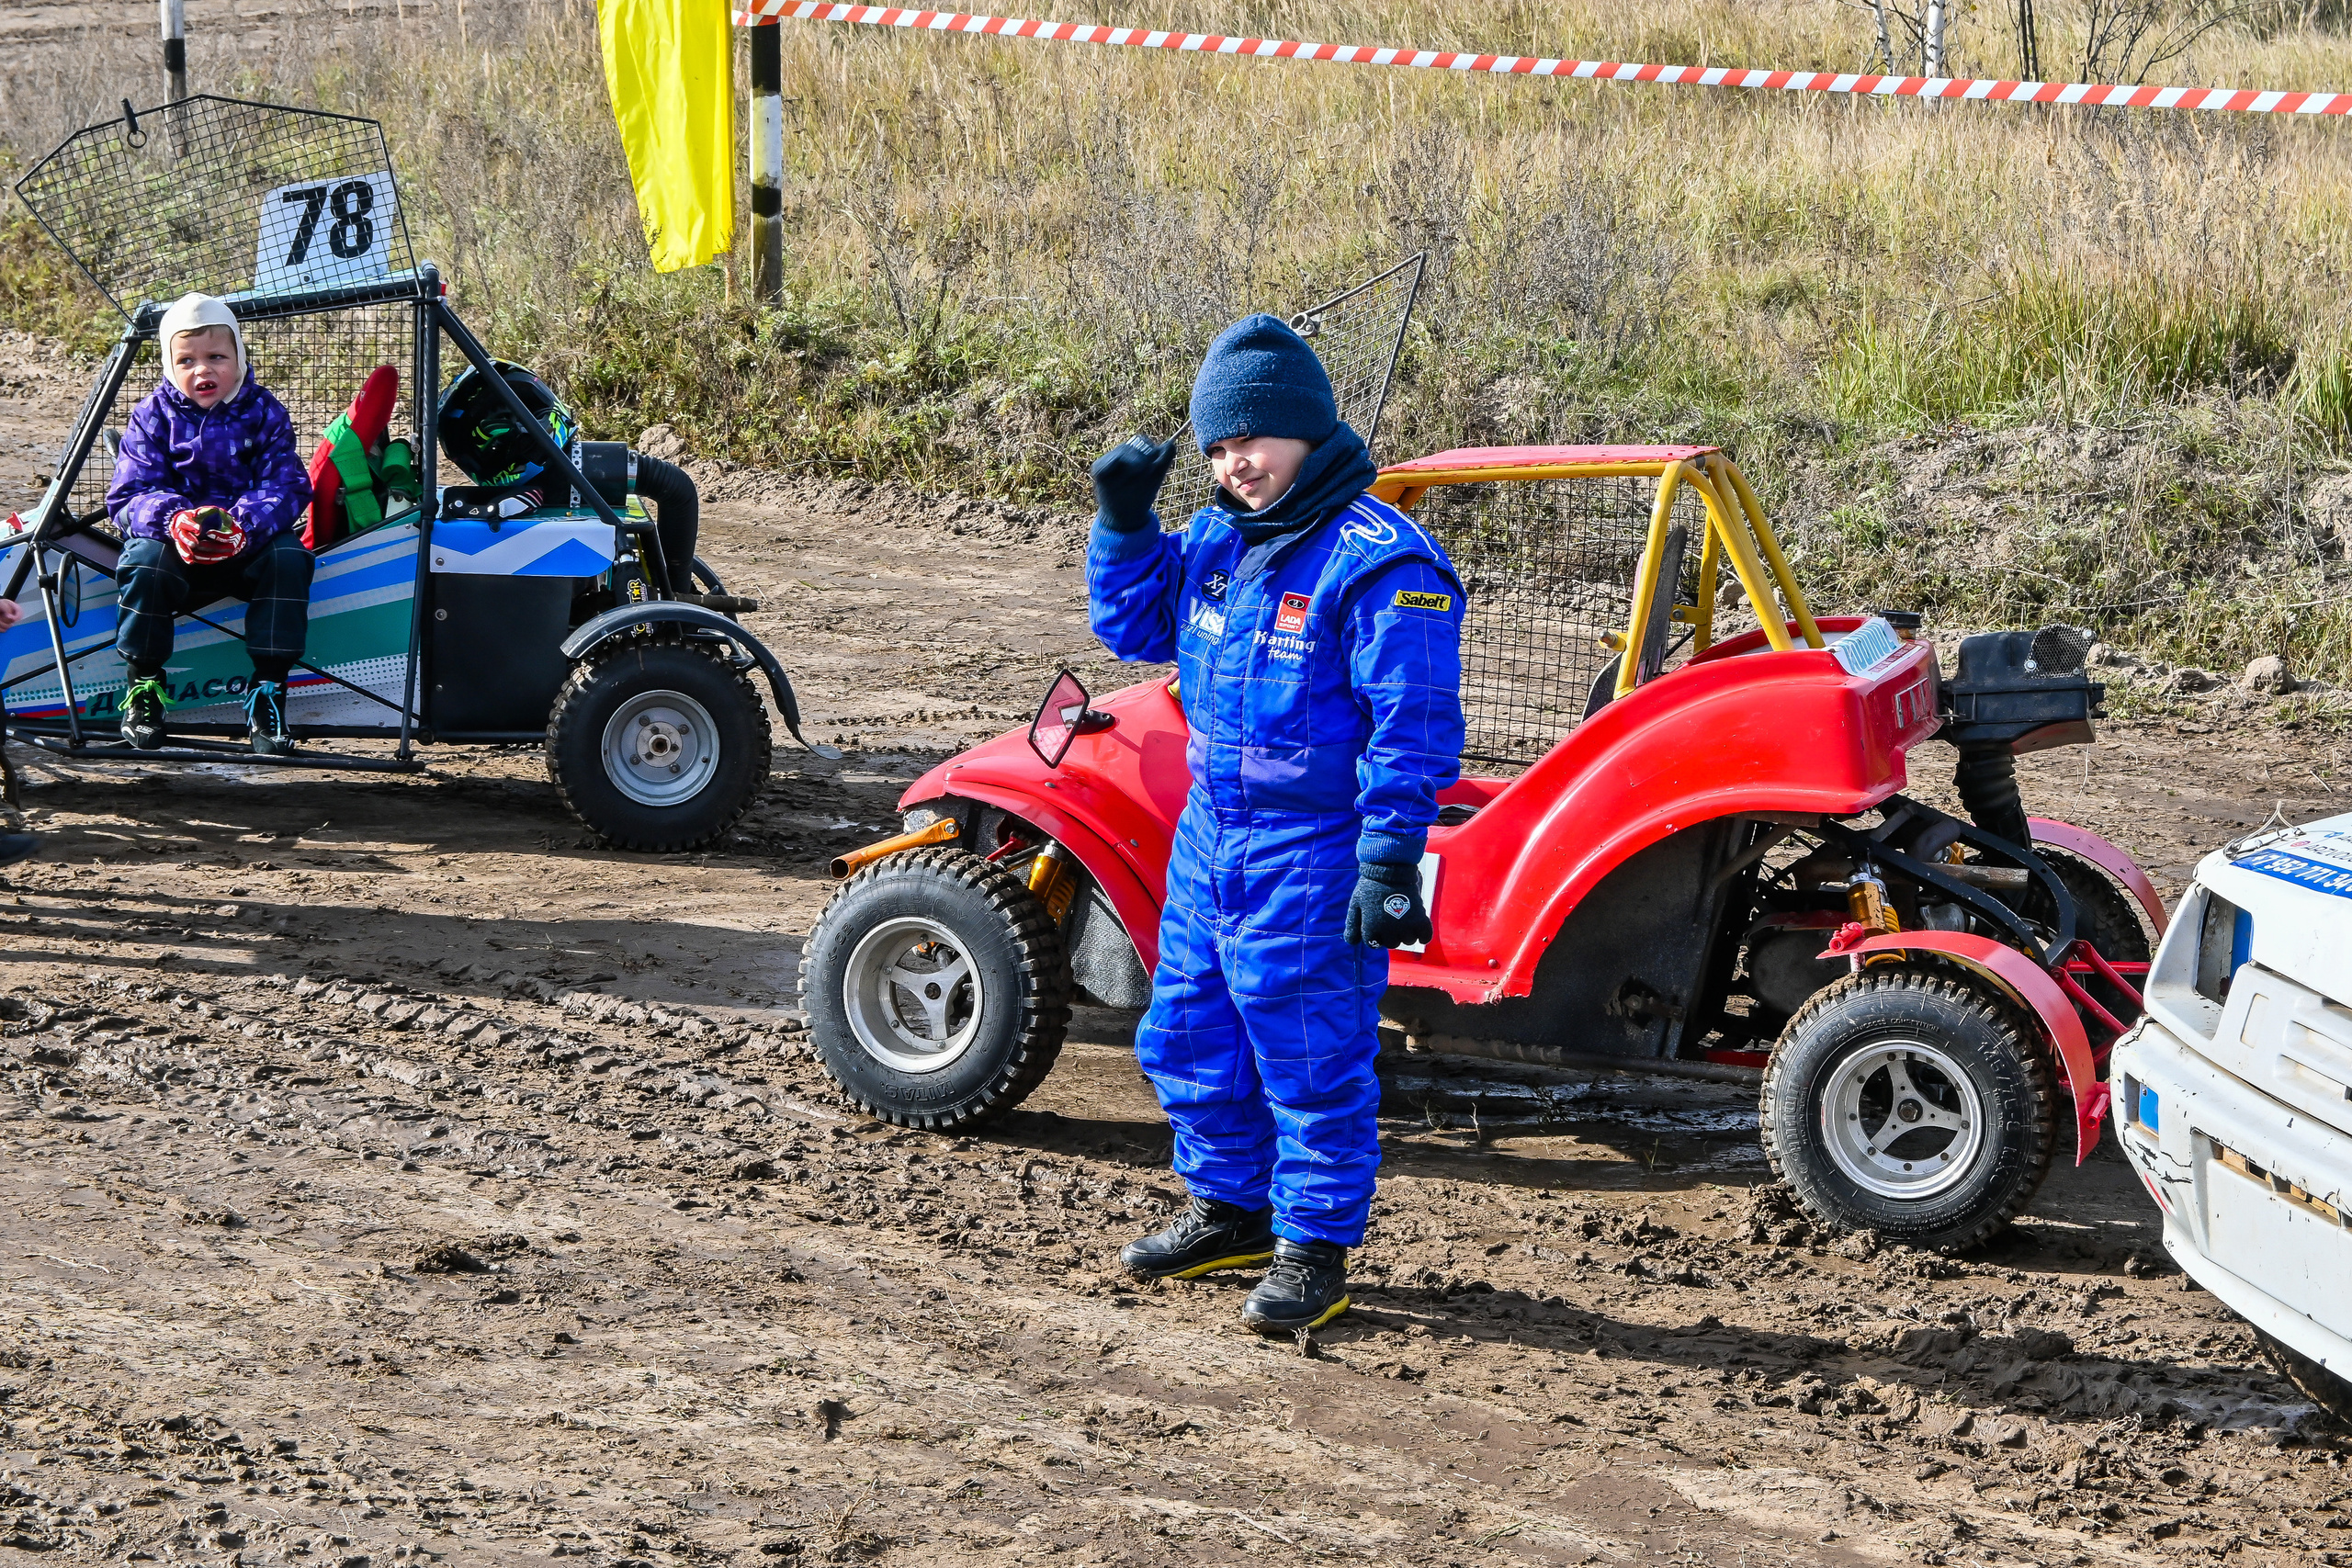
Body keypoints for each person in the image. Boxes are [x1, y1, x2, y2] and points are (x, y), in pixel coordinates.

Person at [1086, 314, 1465, 1335]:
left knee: (1309, 1057)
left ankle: (1313, 1247)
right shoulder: (1215, 537)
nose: (1235, 464)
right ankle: (1230, 1212)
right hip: (1212, 838)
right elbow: (1129, 627)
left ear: (1308, 430)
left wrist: (1390, 857)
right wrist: (1123, 521)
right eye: (1215, 447)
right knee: (1186, 1036)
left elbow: (1414, 727)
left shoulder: (1382, 564)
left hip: (1317, 849)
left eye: (1251, 441)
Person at [107, 293, 315, 756]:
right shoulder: (150, 416)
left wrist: (239, 524)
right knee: (142, 559)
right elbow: (127, 496)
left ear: (239, 356)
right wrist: (175, 519)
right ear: (168, 364)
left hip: (244, 544)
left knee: (290, 556)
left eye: (217, 357)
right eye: (187, 361)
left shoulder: (265, 411)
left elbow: (288, 486)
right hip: (175, 549)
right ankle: (143, 687)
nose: (203, 371)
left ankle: (268, 692)